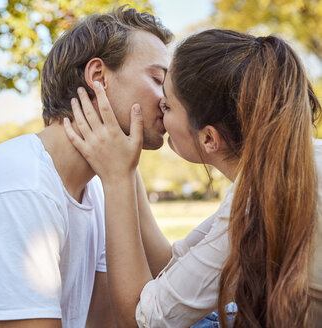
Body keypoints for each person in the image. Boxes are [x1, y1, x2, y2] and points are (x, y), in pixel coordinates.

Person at [0, 6, 173, 328]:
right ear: (98, 78)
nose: (168, 99)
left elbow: (112, 319)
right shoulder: (19, 183)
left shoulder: (101, 189)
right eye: (158, 80)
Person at [64, 29, 322, 327]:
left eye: (168, 105)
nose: (160, 108)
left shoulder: (257, 202)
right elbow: (173, 268)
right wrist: (127, 164)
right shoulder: (282, 167)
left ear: (209, 139)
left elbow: (140, 320)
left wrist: (116, 178)